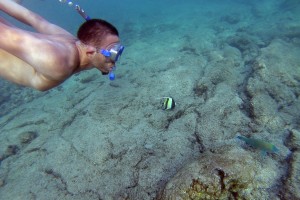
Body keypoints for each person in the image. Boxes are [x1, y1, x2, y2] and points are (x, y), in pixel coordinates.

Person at [0, 0, 124, 91]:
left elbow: (35, 19)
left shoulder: (70, 40)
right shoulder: (58, 61)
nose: (114, 62)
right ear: (90, 52)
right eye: (111, 54)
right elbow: (10, 36)